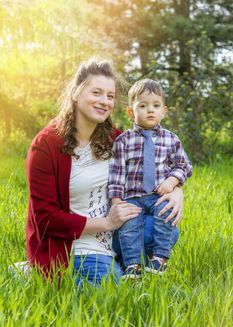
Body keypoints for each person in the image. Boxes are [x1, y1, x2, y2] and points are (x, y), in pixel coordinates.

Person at [26, 59, 184, 286]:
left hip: (116, 237)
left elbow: (159, 166)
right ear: (76, 92)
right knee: (116, 294)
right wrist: (107, 223)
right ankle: (33, 273)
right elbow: (45, 219)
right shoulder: (46, 145)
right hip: (74, 246)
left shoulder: (116, 138)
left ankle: (119, 263)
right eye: (97, 92)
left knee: (167, 230)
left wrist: (177, 190)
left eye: (110, 96)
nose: (104, 101)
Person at [108, 79, 192, 278]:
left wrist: (172, 181)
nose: (150, 111)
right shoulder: (123, 141)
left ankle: (160, 259)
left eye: (155, 106)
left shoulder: (171, 139)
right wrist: (116, 200)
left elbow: (183, 165)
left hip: (158, 195)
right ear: (131, 112)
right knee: (129, 228)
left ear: (164, 111)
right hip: (132, 196)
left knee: (166, 216)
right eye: (143, 106)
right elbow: (117, 172)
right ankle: (132, 266)